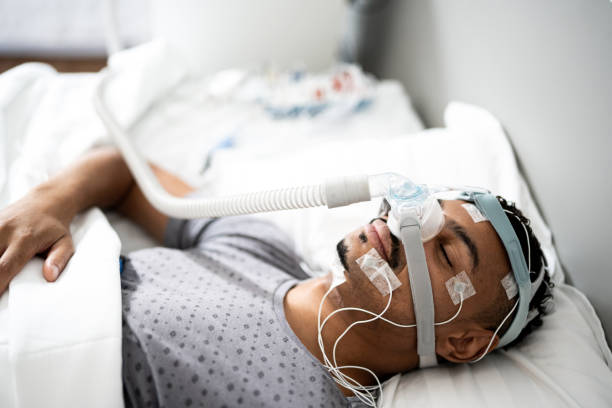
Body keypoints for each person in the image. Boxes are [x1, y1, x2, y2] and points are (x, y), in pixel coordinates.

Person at [0, 147, 553, 408]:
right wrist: (51, 202)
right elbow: (126, 171)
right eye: (425, 209)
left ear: (460, 341)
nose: (407, 223)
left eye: (448, 253)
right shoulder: (254, 245)